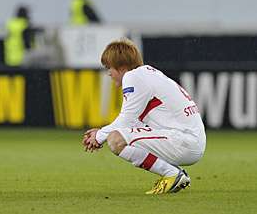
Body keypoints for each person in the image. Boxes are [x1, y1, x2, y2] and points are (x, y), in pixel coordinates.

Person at [82, 38, 206, 195]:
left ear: (122, 67)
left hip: (183, 141)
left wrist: (99, 136)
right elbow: (132, 122)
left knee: (115, 139)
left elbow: (125, 120)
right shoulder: (147, 74)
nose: (108, 73)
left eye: (109, 67)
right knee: (122, 134)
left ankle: (172, 174)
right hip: (189, 140)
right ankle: (175, 174)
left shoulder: (133, 77)